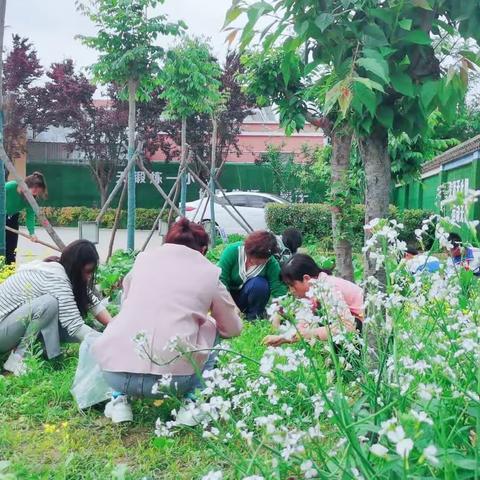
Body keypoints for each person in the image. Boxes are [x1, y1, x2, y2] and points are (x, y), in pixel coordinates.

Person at [93, 219, 242, 424]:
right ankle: (192, 403)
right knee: (211, 325)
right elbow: (232, 329)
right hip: (174, 382)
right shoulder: (209, 273)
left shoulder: (142, 261)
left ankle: (120, 401)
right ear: (204, 249)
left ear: (166, 241)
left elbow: (126, 301)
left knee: (130, 319)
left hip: (114, 374)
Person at [0, 240, 111, 376]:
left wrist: (114, 327)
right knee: (49, 304)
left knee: (55, 311)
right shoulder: (56, 278)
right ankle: (18, 359)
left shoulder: (58, 269)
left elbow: (93, 303)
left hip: (7, 327)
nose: (89, 277)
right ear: (76, 267)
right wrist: (108, 343)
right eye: (87, 271)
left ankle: (51, 357)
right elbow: (74, 326)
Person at [263, 254, 363, 347]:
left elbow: (348, 326)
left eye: (292, 285)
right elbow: (303, 324)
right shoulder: (313, 291)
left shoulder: (327, 288)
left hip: (366, 329)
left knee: (324, 327)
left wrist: (310, 333)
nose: (291, 291)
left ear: (306, 278)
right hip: (356, 327)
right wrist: (283, 338)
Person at [217, 230, 288, 320]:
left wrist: (278, 315)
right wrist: (233, 307)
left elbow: (279, 290)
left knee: (259, 284)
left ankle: (253, 317)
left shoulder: (271, 263)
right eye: (252, 257)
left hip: (248, 299)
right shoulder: (232, 251)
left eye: (260, 260)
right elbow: (220, 281)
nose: (254, 262)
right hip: (227, 298)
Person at [5, 172, 48, 264]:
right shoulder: (10, 187)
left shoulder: (30, 199)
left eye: (37, 193)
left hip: (12, 217)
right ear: (27, 185)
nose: (35, 195)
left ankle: (9, 272)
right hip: (1, 215)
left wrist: (32, 233)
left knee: (11, 250)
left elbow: (30, 215)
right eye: (34, 192)